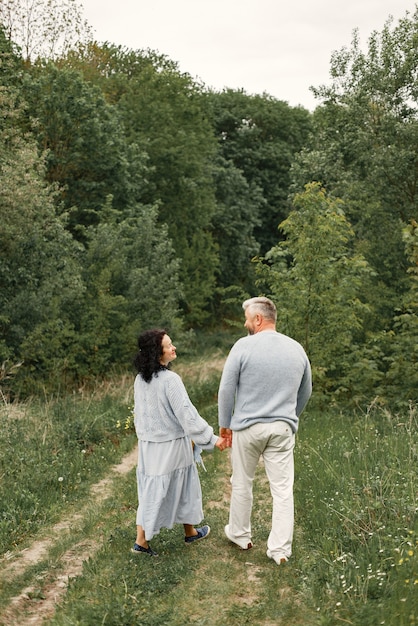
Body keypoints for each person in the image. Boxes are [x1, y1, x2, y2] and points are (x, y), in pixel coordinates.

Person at [218, 297, 312, 565]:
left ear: (258, 319)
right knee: (282, 490)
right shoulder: (296, 349)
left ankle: (240, 535)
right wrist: (290, 416)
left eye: (248, 318)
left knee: (242, 481)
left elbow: (226, 388)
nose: (246, 323)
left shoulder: (243, 346)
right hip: (282, 428)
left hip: (247, 427)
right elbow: (306, 390)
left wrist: (225, 424)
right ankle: (279, 550)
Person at [132, 328, 228, 557]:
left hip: (150, 445)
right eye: (168, 345)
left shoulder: (140, 379)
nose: (174, 348)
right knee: (157, 490)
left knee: (176, 486)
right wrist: (211, 439)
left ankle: (191, 531)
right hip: (169, 445)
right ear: (157, 353)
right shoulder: (170, 380)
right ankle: (141, 542)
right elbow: (187, 414)